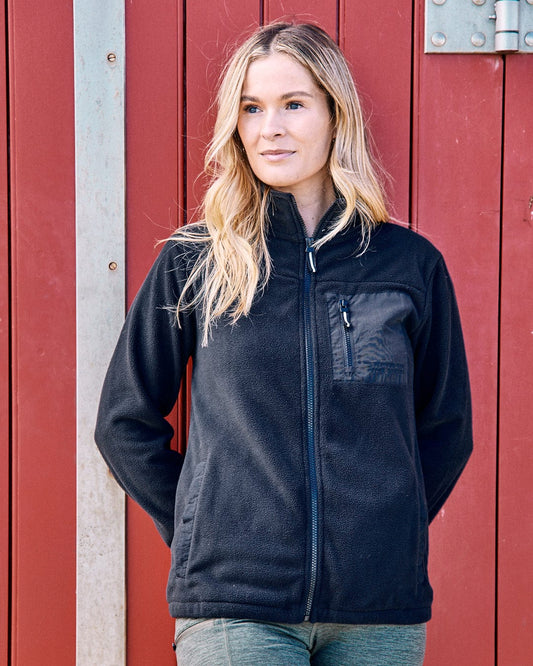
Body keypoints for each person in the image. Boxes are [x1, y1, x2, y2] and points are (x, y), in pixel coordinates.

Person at [95, 21, 473, 665]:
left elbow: (446, 429)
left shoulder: (408, 264)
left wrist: (386, 531)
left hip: (377, 609)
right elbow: (123, 422)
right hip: (235, 607)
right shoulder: (198, 261)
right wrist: (204, 527)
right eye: (251, 107)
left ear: (335, 113)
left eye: (293, 104)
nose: (270, 127)